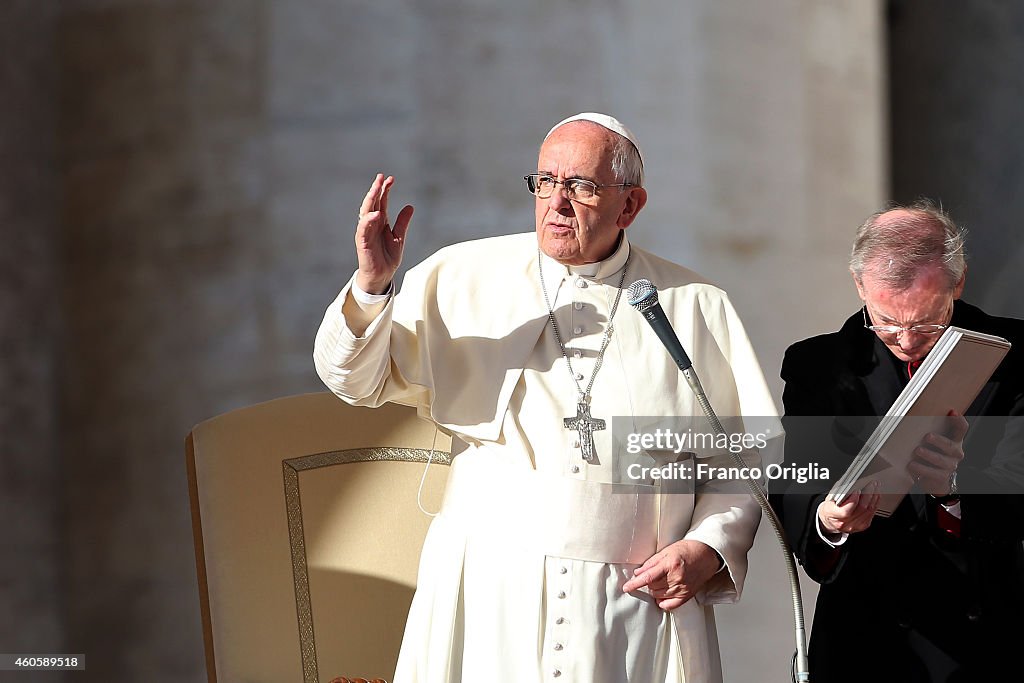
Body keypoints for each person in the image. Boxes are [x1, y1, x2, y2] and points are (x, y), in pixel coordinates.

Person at [314, 113, 781, 682]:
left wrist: (709, 544)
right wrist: (371, 287)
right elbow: (352, 380)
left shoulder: (693, 306)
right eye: (545, 181)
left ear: (629, 206)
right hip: (485, 589)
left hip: (633, 600)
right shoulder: (461, 275)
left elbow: (746, 457)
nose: (556, 202)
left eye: (581, 187)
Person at [775, 201, 1024, 681]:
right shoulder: (819, 365)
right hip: (865, 635)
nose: (906, 340)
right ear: (860, 287)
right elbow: (797, 478)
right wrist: (829, 520)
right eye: (887, 321)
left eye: (926, 322)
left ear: (959, 282)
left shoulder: (1014, 355)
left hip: (984, 635)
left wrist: (955, 487)